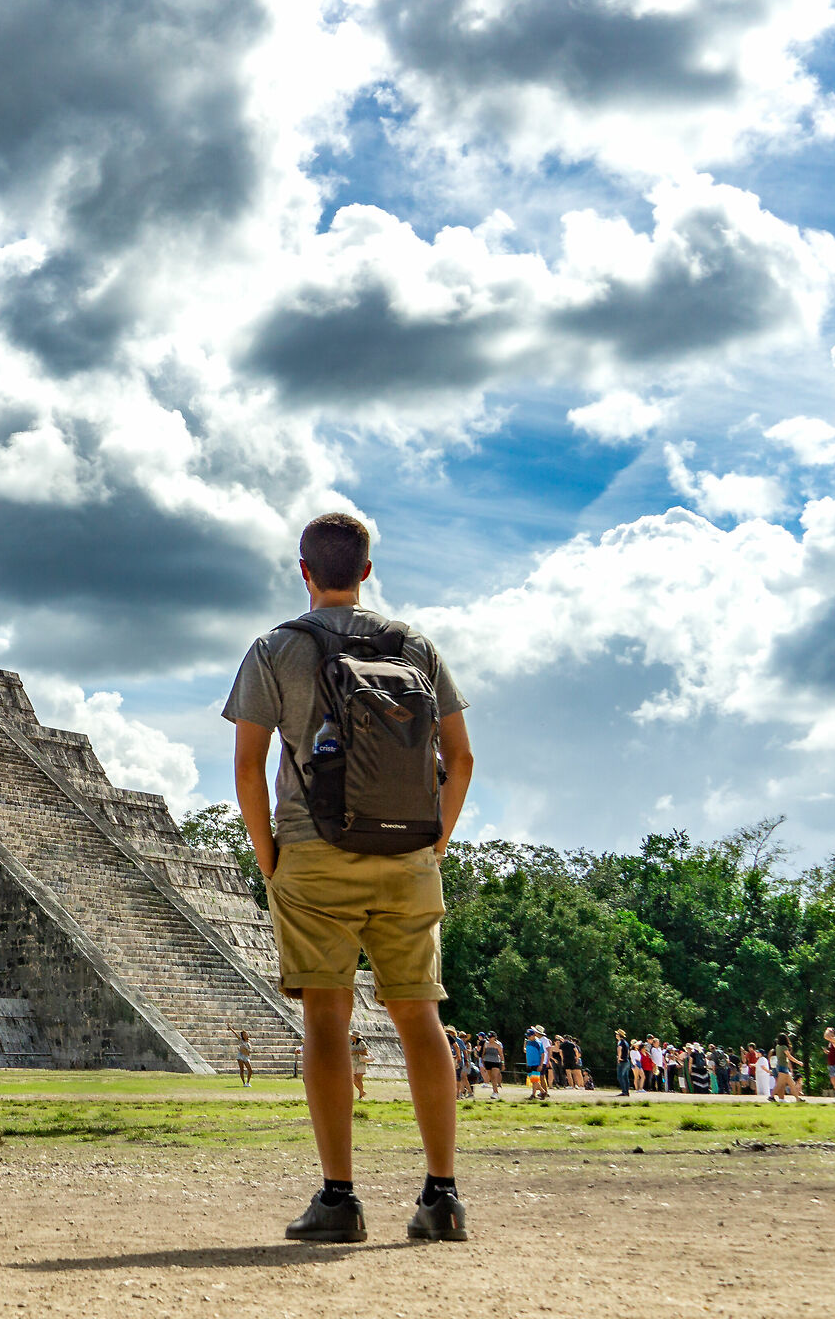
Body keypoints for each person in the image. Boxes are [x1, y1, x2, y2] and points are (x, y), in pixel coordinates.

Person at [226, 512, 475, 1244]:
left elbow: (247, 766)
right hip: (407, 858)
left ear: (302, 569)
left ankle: (339, 1199)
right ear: (367, 569)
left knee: (327, 1019)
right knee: (419, 1016)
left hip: (313, 851)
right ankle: (443, 1196)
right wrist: (433, 845)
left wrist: (269, 855)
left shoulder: (277, 648)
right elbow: (460, 759)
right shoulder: (417, 647)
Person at [350, 1031, 369, 1100]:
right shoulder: (351, 1043)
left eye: (352, 1036)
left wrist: (355, 1052)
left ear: (355, 1037)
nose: (351, 1037)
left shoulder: (361, 1043)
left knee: (359, 1079)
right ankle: (362, 1092)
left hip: (361, 1063)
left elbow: (366, 1053)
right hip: (353, 1063)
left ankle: (361, 1095)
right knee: (354, 1079)